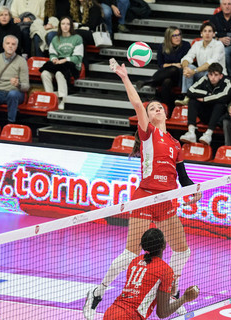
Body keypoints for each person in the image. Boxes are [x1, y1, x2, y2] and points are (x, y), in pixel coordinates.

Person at [83, 58, 202, 320]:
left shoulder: (175, 144)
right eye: (152, 108)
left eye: (160, 107)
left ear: (167, 113)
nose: (156, 109)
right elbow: (137, 103)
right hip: (146, 197)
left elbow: (183, 178)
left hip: (168, 200)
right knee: (131, 252)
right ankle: (99, 291)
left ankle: (171, 294)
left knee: (183, 250)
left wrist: (194, 189)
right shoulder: (148, 133)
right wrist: (125, 77)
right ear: (148, 116)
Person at [103, 228, 199, 320]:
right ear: (164, 245)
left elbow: (142, 288)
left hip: (111, 312)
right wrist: (185, 298)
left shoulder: (135, 261)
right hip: (129, 317)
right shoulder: (165, 270)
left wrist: (168, 291)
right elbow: (162, 313)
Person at [136, 26, 191, 117]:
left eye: (179, 35)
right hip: (165, 75)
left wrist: (172, 65)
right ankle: (167, 112)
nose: (178, 37)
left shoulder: (186, 45)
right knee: (167, 82)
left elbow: (185, 62)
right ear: (169, 37)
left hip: (180, 75)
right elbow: (161, 64)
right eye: (174, 35)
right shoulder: (162, 46)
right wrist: (173, 64)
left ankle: (150, 81)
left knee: (174, 70)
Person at [179, 62, 231, 145]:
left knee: (220, 104)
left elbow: (224, 97)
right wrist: (208, 94)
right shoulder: (205, 78)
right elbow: (190, 91)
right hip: (206, 114)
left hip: (219, 117)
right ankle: (191, 133)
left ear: (221, 76)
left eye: (216, 75)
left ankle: (208, 134)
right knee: (193, 101)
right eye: (211, 74)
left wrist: (205, 99)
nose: (213, 78)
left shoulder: (228, 82)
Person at [175, 21, 226, 106]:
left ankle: (191, 96)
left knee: (195, 70)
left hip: (217, 74)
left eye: (210, 31)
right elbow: (187, 57)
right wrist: (186, 68)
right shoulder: (197, 44)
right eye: (205, 31)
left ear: (214, 34)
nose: (207, 34)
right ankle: (187, 96)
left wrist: (194, 71)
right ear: (201, 33)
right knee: (189, 67)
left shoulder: (218, 45)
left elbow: (211, 64)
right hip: (202, 73)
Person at [40, 16, 83, 110]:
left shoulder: (77, 38)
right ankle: (51, 98)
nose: (65, 26)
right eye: (63, 24)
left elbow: (78, 57)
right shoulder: (56, 39)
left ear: (71, 26)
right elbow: (52, 54)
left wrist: (65, 59)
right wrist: (54, 59)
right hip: (59, 63)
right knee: (44, 73)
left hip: (71, 64)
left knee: (60, 73)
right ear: (60, 26)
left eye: (68, 24)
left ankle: (63, 99)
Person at [0, 35, 29, 123]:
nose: (10, 46)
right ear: (3, 45)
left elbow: (26, 87)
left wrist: (18, 84)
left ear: (16, 47)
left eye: (13, 44)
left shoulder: (22, 61)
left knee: (12, 94)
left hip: (15, 92)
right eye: (8, 43)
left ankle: (11, 122)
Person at [210, 0, 231, 77]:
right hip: (217, 44)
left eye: (229, 4)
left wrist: (219, 35)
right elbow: (210, 34)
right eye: (224, 4)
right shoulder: (214, 18)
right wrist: (220, 39)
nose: (227, 6)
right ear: (221, 6)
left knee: (225, 51)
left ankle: (229, 75)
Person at [69, 0, 104, 70]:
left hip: (93, 35)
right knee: (80, 39)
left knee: (76, 33)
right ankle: (84, 65)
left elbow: (91, 25)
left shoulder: (94, 7)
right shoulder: (74, 6)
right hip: (80, 35)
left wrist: (76, 25)